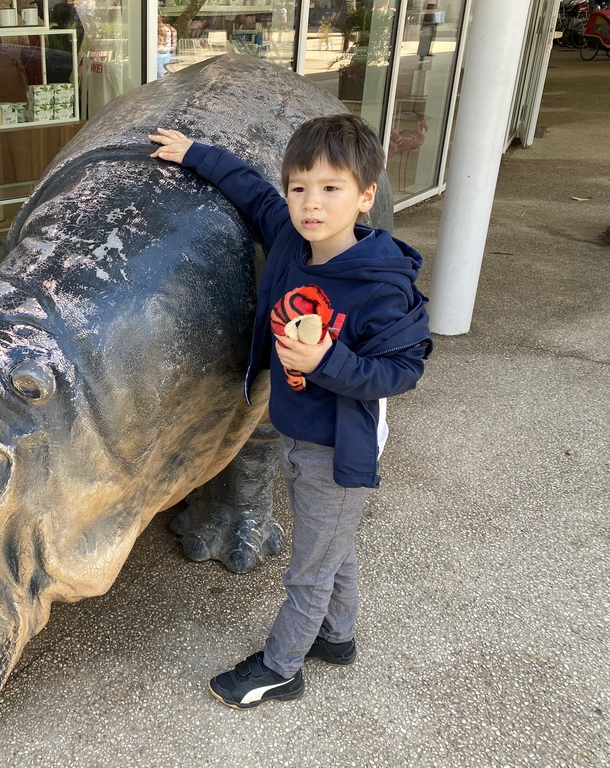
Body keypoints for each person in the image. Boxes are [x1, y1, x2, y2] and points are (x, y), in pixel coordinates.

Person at [148, 115, 432, 709]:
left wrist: (327, 359)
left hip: (340, 445)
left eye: (332, 188)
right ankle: (337, 636)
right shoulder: (289, 241)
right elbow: (252, 190)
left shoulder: (382, 284)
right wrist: (194, 152)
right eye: (300, 187)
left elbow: (401, 371)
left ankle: (281, 668)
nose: (311, 203)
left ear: (366, 197)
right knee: (334, 546)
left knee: (310, 567)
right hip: (296, 433)